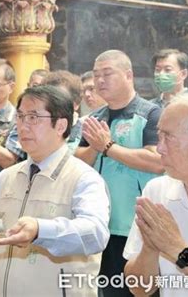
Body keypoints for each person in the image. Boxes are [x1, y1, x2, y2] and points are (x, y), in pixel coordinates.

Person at [0, 86, 110, 296]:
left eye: (33, 117)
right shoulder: (7, 176)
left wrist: (40, 230)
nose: (23, 126)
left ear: (60, 125)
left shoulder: (84, 178)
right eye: (21, 116)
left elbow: (94, 233)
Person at [75, 50, 164, 297]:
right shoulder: (94, 118)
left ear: (128, 75)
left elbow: (157, 161)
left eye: (107, 74)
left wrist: (108, 147)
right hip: (101, 224)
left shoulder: (151, 114)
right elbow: (78, 162)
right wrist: (95, 148)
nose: (100, 81)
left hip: (136, 226)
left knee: (141, 291)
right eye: (96, 75)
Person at [124, 93, 188, 297]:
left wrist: (177, 248)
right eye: (159, 136)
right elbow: (139, 289)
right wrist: (149, 249)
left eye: (169, 137)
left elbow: (175, 247)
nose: (159, 148)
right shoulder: (157, 192)